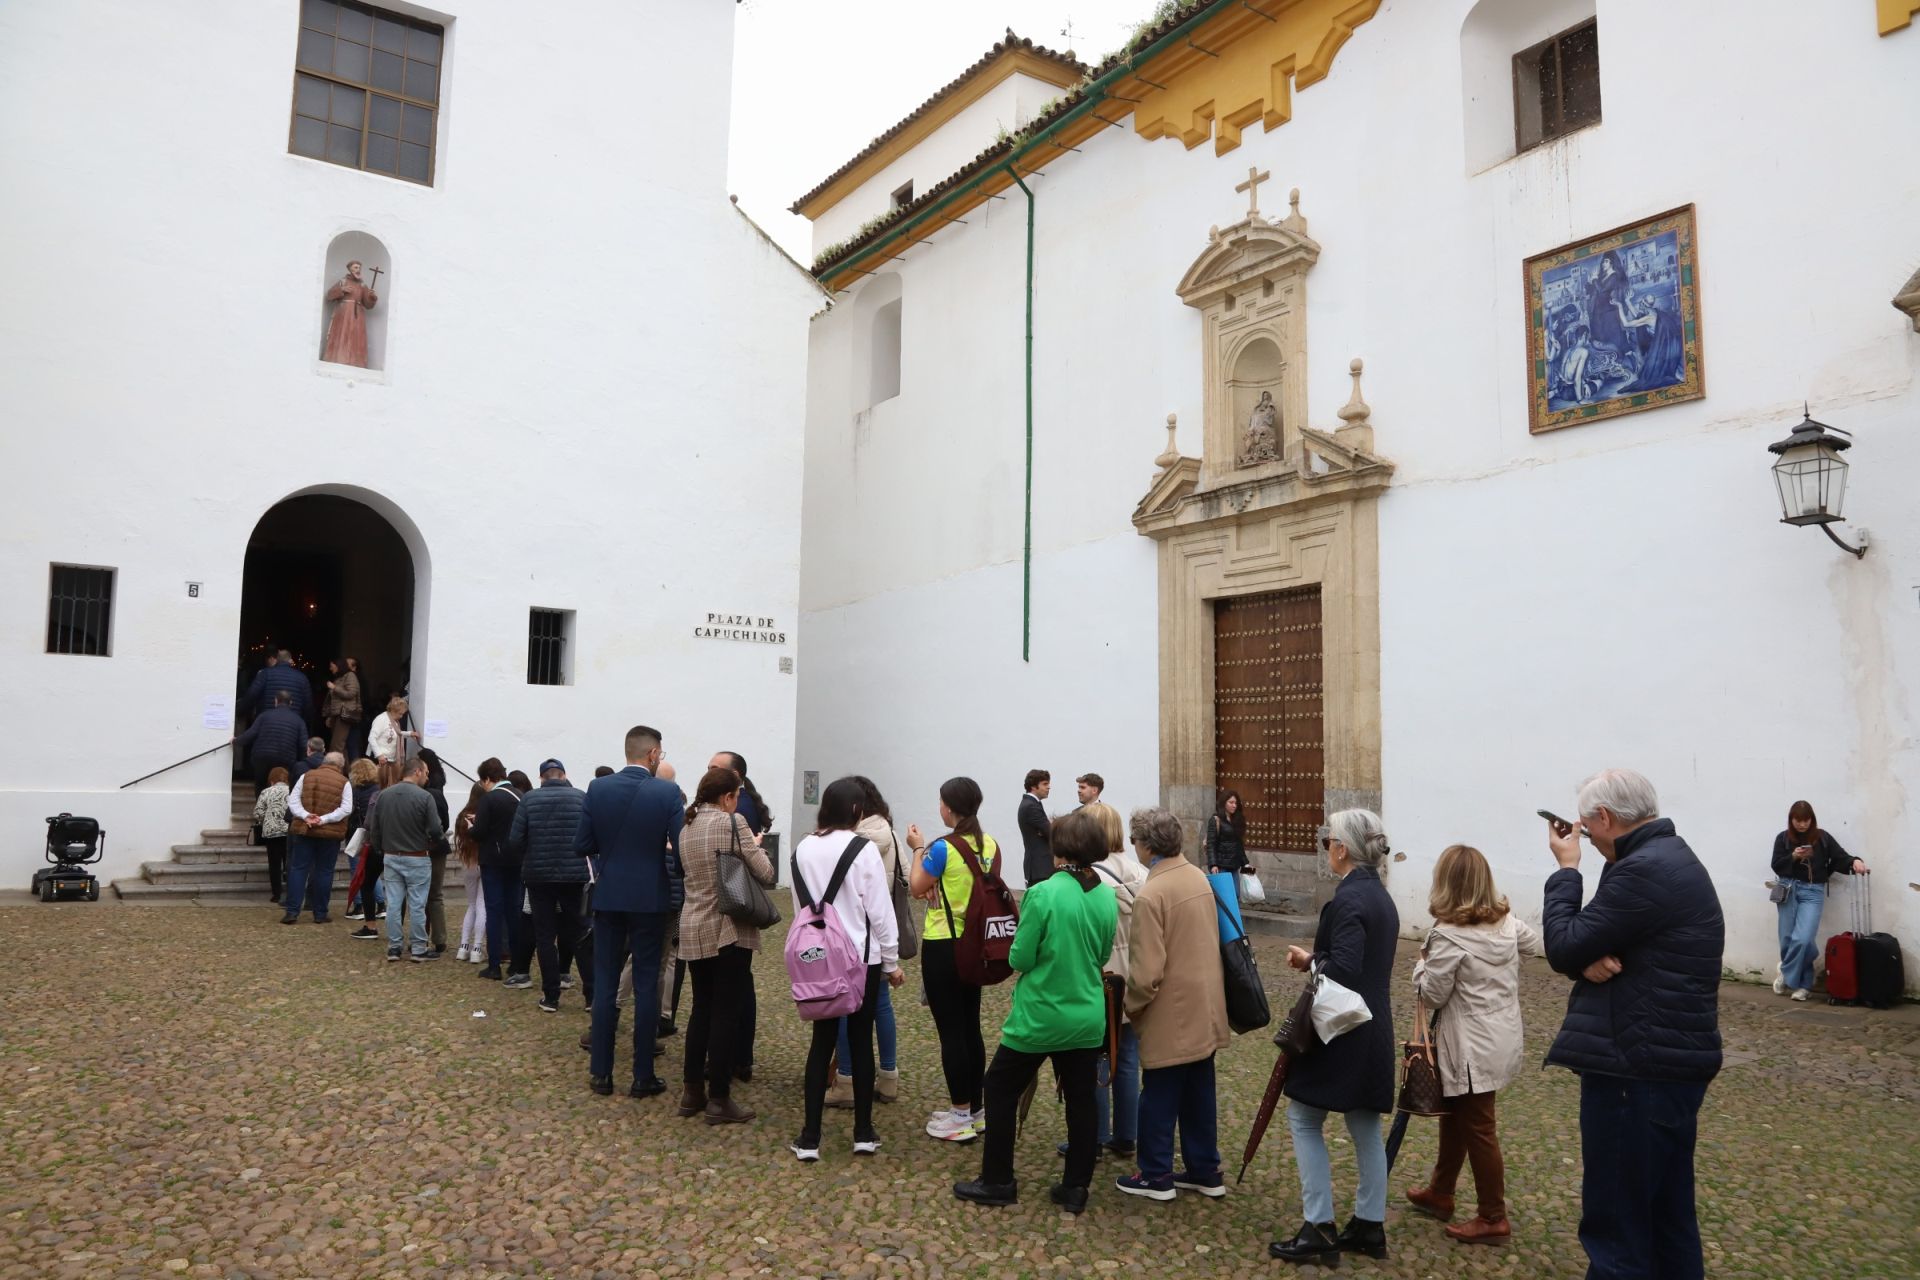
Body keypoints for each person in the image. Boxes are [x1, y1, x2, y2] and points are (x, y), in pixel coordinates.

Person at [1542, 769, 1724, 1280]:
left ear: (1604, 818)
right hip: (1664, 1062)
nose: (1584, 836)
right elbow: (1595, 943)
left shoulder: (1642, 870)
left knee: (1618, 1227)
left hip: (1636, 1066)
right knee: (1667, 1221)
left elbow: (1564, 942)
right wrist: (1585, 958)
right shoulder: (1665, 858)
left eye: (1585, 826)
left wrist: (1567, 869)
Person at [955, 808, 1116, 1212]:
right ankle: (1076, 1187)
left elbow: (1021, 957)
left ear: (1059, 848)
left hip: (1041, 1014)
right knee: (1082, 1101)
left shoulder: (1044, 892)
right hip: (1086, 1014)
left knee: (999, 1088)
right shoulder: (1104, 895)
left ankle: (998, 1179)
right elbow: (1102, 953)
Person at [1270, 809, 1399, 1265]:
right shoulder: (1381, 897)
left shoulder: (1347, 900)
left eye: (1328, 839)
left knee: (1304, 1119)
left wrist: (1312, 963)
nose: (1326, 846)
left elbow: (1344, 966)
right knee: (1364, 1125)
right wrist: (1314, 958)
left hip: (1343, 1029)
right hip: (1374, 1023)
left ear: (1341, 848)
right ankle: (1369, 1225)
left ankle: (1319, 1226)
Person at [1406, 845, 1544, 1246]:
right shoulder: (1505, 923)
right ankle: (1441, 1191)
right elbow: (1531, 943)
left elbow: (1432, 993)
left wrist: (1420, 964)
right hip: (1500, 1036)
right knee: (1457, 1113)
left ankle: (1492, 1215)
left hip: (1469, 1045)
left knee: (1479, 1125)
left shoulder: (1448, 936)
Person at [1117, 806, 1230, 1204]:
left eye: (1135, 840)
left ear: (1146, 845)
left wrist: (1130, 1006)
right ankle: (1205, 1169)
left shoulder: (1152, 893)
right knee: (1200, 1089)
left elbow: (1147, 971)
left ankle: (1155, 1173)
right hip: (1205, 1001)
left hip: (1172, 1008)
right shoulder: (1198, 877)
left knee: (1160, 1094)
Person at [789, 777, 902, 1162]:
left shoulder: (802, 848)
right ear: (856, 811)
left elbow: (800, 909)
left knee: (821, 1043)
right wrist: (892, 960)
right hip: (861, 958)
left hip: (818, 957)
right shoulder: (863, 849)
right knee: (859, 1039)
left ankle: (809, 1137)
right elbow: (880, 912)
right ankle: (863, 1134)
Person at [576, 724, 684, 1099]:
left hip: (608, 896)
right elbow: (680, 850)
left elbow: (582, 843)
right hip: (651, 899)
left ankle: (601, 1074)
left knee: (605, 985)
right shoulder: (667, 792)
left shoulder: (598, 788)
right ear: (653, 754)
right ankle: (642, 1075)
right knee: (646, 984)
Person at [676, 765, 776, 1124]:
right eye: (736, 797)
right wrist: (757, 848)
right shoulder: (733, 824)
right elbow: (765, 873)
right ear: (728, 797)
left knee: (701, 1007)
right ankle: (719, 1097)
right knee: (725, 1013)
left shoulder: (686, 826)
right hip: (728, 928)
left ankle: (691, 1091)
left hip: (693, 924)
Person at [906, 776, 1002, 1142]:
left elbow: (917, 885)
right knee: (971, 1026)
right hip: (976, 944)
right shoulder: (990, 844)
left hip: (944, 942)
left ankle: (960, 1113)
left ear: (949, 807)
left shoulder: (943, 847)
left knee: (951, 1033)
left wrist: (917, 848)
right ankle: (976, 1110)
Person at [827, 776, 906, 1108]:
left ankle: (845, 1081)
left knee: (847, 1008)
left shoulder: (850, 841)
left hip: (850, 934)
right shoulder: (888, 830)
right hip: (878, 934)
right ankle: (888, 1078)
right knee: (882, 1007)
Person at [1085, 800, 1145, 1157]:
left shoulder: (1091, 882)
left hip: (1102, 978)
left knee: (1097, 1060)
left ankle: (1094, 1136)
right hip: (1133, 977)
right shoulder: (1140, 873)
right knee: (1127, 1059)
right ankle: (1126, 1135)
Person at [513, 758, 592, 1013]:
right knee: (580, 933)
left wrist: (531, 854)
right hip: (574, 875)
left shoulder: (528, 799)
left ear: (541, 778)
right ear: (564, 775)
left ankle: (551, 996)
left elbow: (515, 839)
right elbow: (591, 834)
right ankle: (592, 995)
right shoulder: (580, 797)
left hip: (538, 876)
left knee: (545, 936)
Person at [1771, 800, 1867, 1001]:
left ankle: (1786, 969)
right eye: (1798, 820)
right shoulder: (1783, 838)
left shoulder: (1822, 838)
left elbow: (1840, 857)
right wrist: (1794, 857)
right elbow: (1777, 866)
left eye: (1806, 820)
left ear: (1812, 819)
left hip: (1812, 891)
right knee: (1787, 938)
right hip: (1788, 889)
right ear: (1791, 819)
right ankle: (1804, 986)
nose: (1802, 824)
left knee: (1803, 939)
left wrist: (1855, 861)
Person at [369, 756, 446, 962]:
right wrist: (434, 840)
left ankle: (394, 946)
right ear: (417, 772)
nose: (427, 777)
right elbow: (436, 828)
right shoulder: (424, 797)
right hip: (417, 856)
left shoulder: (384, 795)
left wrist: (379, 848)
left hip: (392, 855)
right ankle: (418, 947)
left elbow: (374, 828)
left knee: (393, 903)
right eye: (426, 773)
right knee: (417, 903)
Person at [470, 758, 526, 985]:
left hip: (493, 861)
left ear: (487, 779)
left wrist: (472, 827)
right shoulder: (521, 796)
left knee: (494, 911)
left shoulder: (490, 798)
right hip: (517, 861)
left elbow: (481, 832)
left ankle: (494, 964)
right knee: (515, 912)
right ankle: (516, 963)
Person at [282, 751, 353, 924]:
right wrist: (324, 819)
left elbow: (293, 801)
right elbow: (346, 809)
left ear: (324, 762)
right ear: (340, 766)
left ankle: (292, 911)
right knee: (324, 871)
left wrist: (306, 816)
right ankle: (320, 913)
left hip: (305, 829)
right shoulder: (344, 782)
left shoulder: (306, 776)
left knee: (299, 869)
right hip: (330, 833)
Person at [344, 757, 385, 938]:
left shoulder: (355, 791)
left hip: (361, 835)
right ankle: (381, 904)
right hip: (380, 839)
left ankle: (361, 906)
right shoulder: (379, 790)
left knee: (362, 873)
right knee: (371, 874)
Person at [234, 691, 306, 791]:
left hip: (262, 757)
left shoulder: (264, 716)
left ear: (276, 701)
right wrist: (302, 762)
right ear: (291, 703)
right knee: (281, 785)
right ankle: (277, 805)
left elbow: (251, 733)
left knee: (260, 784)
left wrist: (237, 741)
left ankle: (261, 805)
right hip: (285, 757)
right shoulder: (298, 720)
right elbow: (303, 744)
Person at [454, 781, 488, 964]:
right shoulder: (486, 814)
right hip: (483, 861)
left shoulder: (462, 816)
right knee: (482, 905)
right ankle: (476, 948)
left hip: (468, 862)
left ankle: (463, 946)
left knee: (471, 905)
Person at [322, 259, 379, 367]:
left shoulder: (362, 285)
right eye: (355, 267)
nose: (358, 270)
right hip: (343, 313)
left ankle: (356, 361)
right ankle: (337, 358)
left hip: (358, 315)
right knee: (342, 334)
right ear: (350, 269)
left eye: (359, 268)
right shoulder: (343, 281)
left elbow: (368, 304)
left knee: (356, 336)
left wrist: (372, 298)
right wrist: (341, 290)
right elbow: (329, 296)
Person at [239, 649, 314, 724]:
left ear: (277, 659)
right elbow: (308, 706)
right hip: (292, 724)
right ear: (290, 660)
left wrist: (239, 711)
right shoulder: (302, 678)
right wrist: (304, 723)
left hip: (267, 722)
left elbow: (252, 695)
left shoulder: (265, 674)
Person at [251, 765, 292, 904]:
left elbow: (257, 812)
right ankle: (291, 892)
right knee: (290, 863)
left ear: (271, 779)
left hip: (272, 832)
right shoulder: (292, 791)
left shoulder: (266, 792)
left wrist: (266, 819)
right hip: (289, 831)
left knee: (274, 864)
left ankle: (276, 894)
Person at [1018, 769, 1053, 891]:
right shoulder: (1031, 806)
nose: (1049, 787)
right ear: (1033, 786)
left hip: (1039, 867)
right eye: (1045, 784)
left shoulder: (1031, 804)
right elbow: (1051, 833)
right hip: (1040, 868)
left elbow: (1045, 831)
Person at [322, 658, 362, 756]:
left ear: (338, 666)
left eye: (332, 666)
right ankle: (345, 770)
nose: (330, 669)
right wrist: (330, 716)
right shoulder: (339, 678)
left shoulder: (350, 676)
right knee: (340, 747)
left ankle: (336, 770)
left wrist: (334, 688)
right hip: (336, 714)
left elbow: (351, 693)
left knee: (336, 746)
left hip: (344, 714)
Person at [1204, 790, 1247, 874]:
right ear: (1224, 803)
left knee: (1236, 888)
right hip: (1221, 867)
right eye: (1231, 802)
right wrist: (1213, 864)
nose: (1234, 805)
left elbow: (1238, 844)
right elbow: (1211, 844)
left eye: (1236, 803)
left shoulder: (1236, 820)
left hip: (1234, 866)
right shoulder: (1216, 820)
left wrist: (1245, 863)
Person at [366, 696, 418, 765]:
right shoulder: (381, 719)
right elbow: (372, 738)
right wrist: (379, 755)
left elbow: (397, 733)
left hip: (389, 759)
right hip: (378, 759)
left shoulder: (395, 721)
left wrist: (410, 734)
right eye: (400, 714)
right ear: (394, 710)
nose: (401, 716)